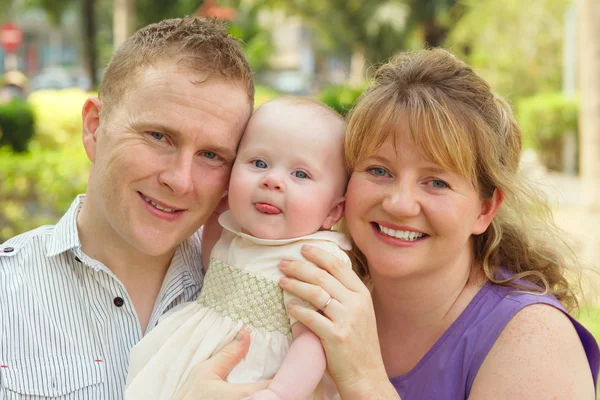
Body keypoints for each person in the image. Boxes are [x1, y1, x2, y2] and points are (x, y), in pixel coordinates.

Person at [277, 48, 600, 399]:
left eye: (436, 182)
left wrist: (365, 381)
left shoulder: (535, 341)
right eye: (379, 170)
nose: (399, 204)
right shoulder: (315, 297)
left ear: (485, 209)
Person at [0, 16, 268, 399]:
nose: (180, 180)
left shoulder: (263, 295)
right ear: (94, 127)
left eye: (211, 155)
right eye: (159, 136)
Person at [125, 97, 350, 400]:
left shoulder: (312, 259)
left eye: (300, 174)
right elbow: (215, 268)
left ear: (333, 212)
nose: (272, 180)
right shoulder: (238, 231)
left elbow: (314, 344)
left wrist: (278, 393)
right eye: (259, 163)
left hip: (262, 380)